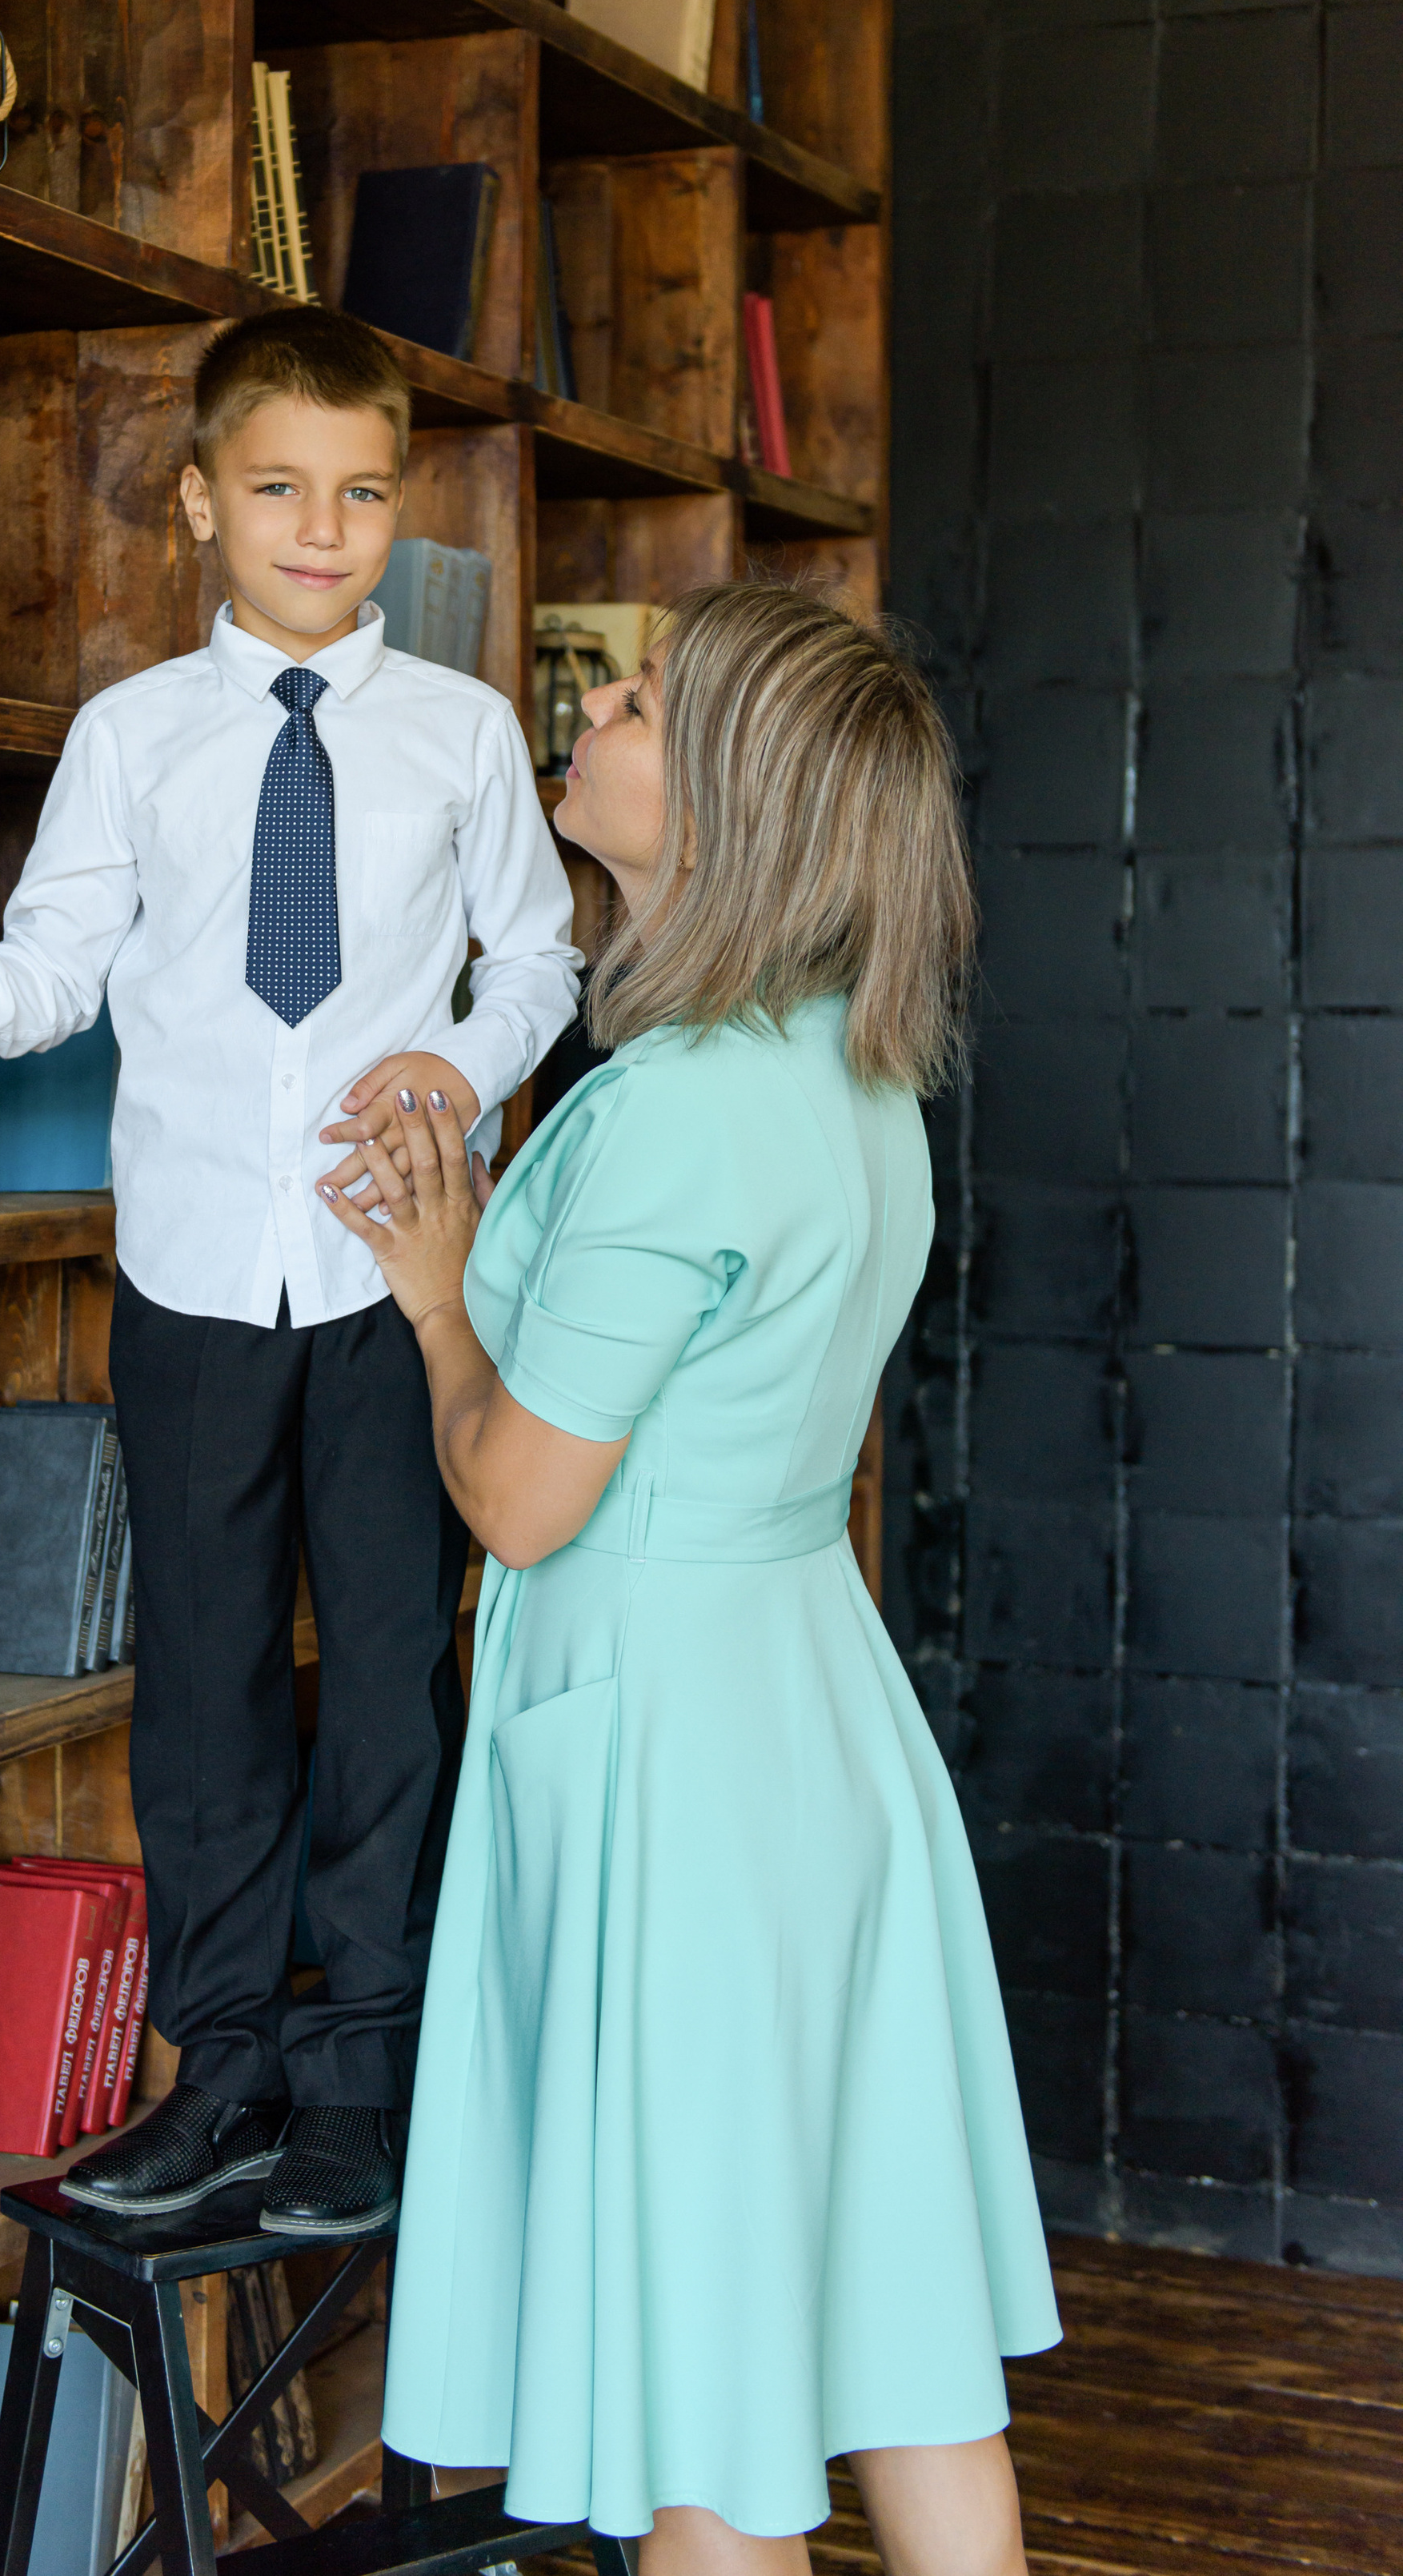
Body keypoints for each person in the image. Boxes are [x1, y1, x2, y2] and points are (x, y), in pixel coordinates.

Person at [0, 306, 578, 2237]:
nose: (325, 529)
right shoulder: (131, 737)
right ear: (202, 500)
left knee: (387, 1677)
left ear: (399, 508)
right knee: (202, 1690)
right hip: (197, 1279)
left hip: (394, 1282)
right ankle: (223, 2080)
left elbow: (538, 962)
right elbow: (53, 970)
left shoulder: (459, 736)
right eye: (282, 490)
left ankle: (358, 2091)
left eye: (363, 494)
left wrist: (454, 1066)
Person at [316, 581, 1060, 2571]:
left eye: (637, 700)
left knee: (695, 2379)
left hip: (669, 1765)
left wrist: (432, 1303)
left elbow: (522, 1503)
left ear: (727, 804)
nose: (593, 707)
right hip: (815, 1712)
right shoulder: (856, 1078)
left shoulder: (666, 1117)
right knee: (890, 2329)